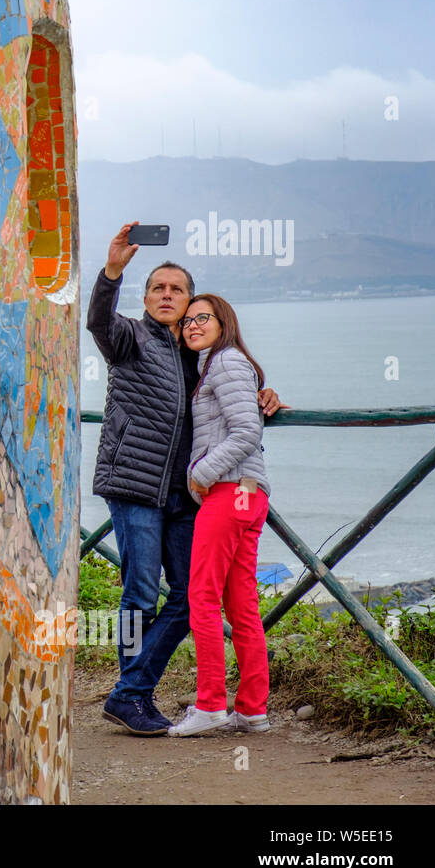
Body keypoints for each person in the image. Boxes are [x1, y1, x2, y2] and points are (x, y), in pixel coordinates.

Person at [88, 223, 282, 736]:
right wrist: (111, 272)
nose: (168, 296)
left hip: (184, 495)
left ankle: (129, 694)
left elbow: (230, 399)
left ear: (192, 302)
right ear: (146, 298)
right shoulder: (128, 337)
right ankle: (132, 694)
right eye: (159, 288)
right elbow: (98, 322)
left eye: (178, 290)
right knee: (138, 597)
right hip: (133, 484)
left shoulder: (201, 357)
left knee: (186, 597)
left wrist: (266, 395)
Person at [168, 294, 272, 736]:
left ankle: (210, 704)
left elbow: (247, 430)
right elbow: (248, 414)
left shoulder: (225, 362)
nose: (192, 325)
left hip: (229, 493)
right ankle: (251, 709)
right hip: (249, 494)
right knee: (242, 605)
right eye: (187, 321)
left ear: (222, 321)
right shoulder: (222, 364)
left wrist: (199, 473)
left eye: (201, 318)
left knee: (202, 599)